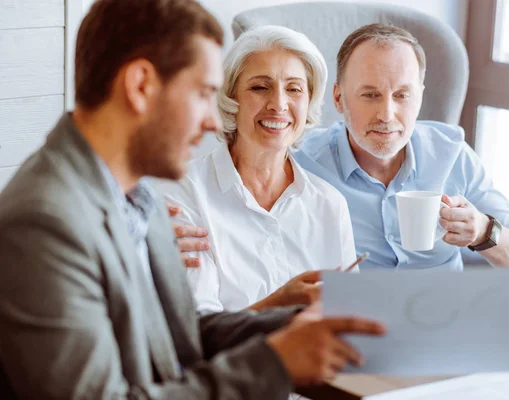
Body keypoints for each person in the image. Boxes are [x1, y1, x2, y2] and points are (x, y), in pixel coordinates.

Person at [0, 2, 385, 398]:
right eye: (202, 93)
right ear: (140, 86)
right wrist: (274, 362)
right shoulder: (45, 224)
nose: (214, 121)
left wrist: (290, 326)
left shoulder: (136, 195)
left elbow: (179, 333)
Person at [176, 23, 509, 271]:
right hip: (351, 345)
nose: (387, 114)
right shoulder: (300, 161)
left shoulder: (452, 155)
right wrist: (158, 236)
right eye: (369, 95)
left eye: (402, 95)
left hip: (443, 332)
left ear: (420, 97)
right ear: (338, 98)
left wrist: (484, 232)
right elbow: (233, 196)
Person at [158, 25, 356, 313]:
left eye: (294, 89)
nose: (278, 104)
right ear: (231, 97)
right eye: (260, 87)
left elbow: (349, 318)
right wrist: (278, 304)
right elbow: (198, 331)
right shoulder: (184, 191)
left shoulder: (330, 204)